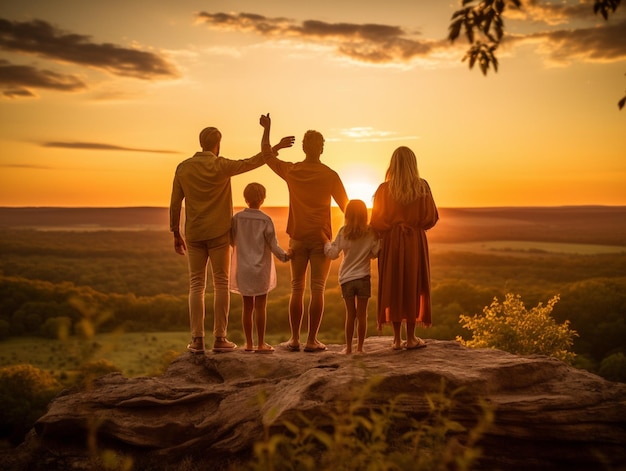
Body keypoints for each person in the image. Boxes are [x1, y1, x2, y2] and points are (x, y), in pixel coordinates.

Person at [169, 114, 294, 354]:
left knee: (196, 284)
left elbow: (175, 203)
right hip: (219, 233)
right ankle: (220, 338)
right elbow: (252, 162)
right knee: (221, 284)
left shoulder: (183, 168)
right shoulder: (221, 165)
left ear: (201, 143)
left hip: (194, 232)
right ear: (217, 144)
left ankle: (196, 339)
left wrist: (175, 231)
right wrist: (275, 147)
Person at [266, 130, 349, 352]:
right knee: (318, 289)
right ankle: (312, 341)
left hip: (298, 238)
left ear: (303, 147)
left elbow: (266, 156)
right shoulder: (330, 175)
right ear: (321, 148)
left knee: (296, 289)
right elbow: (347, 208)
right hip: (322, 239)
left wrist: (275, 143)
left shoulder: (292, 170)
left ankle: (294, 340)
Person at [370, 146, 439, 351]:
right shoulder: (422, 186)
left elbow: (376, 221)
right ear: (413, 164)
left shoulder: (383, 189)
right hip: (415, 243)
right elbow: (431, 218)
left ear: (393, 164)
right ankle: (411, 338)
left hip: (391, 243)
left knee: (393, 284)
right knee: (413, 284)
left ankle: (397, 340)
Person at [230, 182, 289, 353]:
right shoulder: (266, 220)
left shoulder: (237, 218)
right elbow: (273, 245)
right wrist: (286, 256)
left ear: (245, 198)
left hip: (243, 268)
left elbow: (232, 240)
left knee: (247, 306)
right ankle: (261, 343)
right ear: (263, 199)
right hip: (261, 268)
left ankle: (249, 344)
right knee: (261, 306)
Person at [325, 199, 380, 354]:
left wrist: (325, 243)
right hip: (363, 277)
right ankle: (360, 349)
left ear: (347, 215)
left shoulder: (343, 231)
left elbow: (332, 254)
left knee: (350, 315)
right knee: (362, 315)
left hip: (347, 279)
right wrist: (368, 253)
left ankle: (348, 348)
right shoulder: (371, 232)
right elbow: (376, 253)